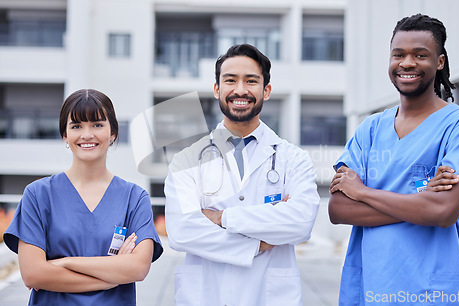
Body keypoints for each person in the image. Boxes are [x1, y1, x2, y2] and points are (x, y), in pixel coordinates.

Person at [328, 14, 459, 305]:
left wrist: (363, 193)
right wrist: (420, 201)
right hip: (370, 287)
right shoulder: (371, 129)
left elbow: (443, 213)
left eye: (420, 55)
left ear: (439, 62)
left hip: (434, 290)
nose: (407, 63)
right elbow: (339, 209)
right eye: (398, 54)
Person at [164, 44, 320, 305]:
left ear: (266, 90)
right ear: (217, 89)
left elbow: (301, 222)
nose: (240, 90)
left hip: (269, 295)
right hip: (206, 295)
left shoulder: (293, 158)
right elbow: (182, 231)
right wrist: (258, 244)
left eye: (251, 81)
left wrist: (223, 217)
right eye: (230, 80)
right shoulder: (187, 161)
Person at [3, 89, 163, 305]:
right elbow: (33, 274)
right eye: (76, 126)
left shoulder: (134, 199)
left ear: (113, 133)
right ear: (64, 135)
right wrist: (110, 279)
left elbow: (138, 268)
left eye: (97, 124)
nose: (87, 134)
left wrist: (63, 262)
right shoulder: (38, 195)